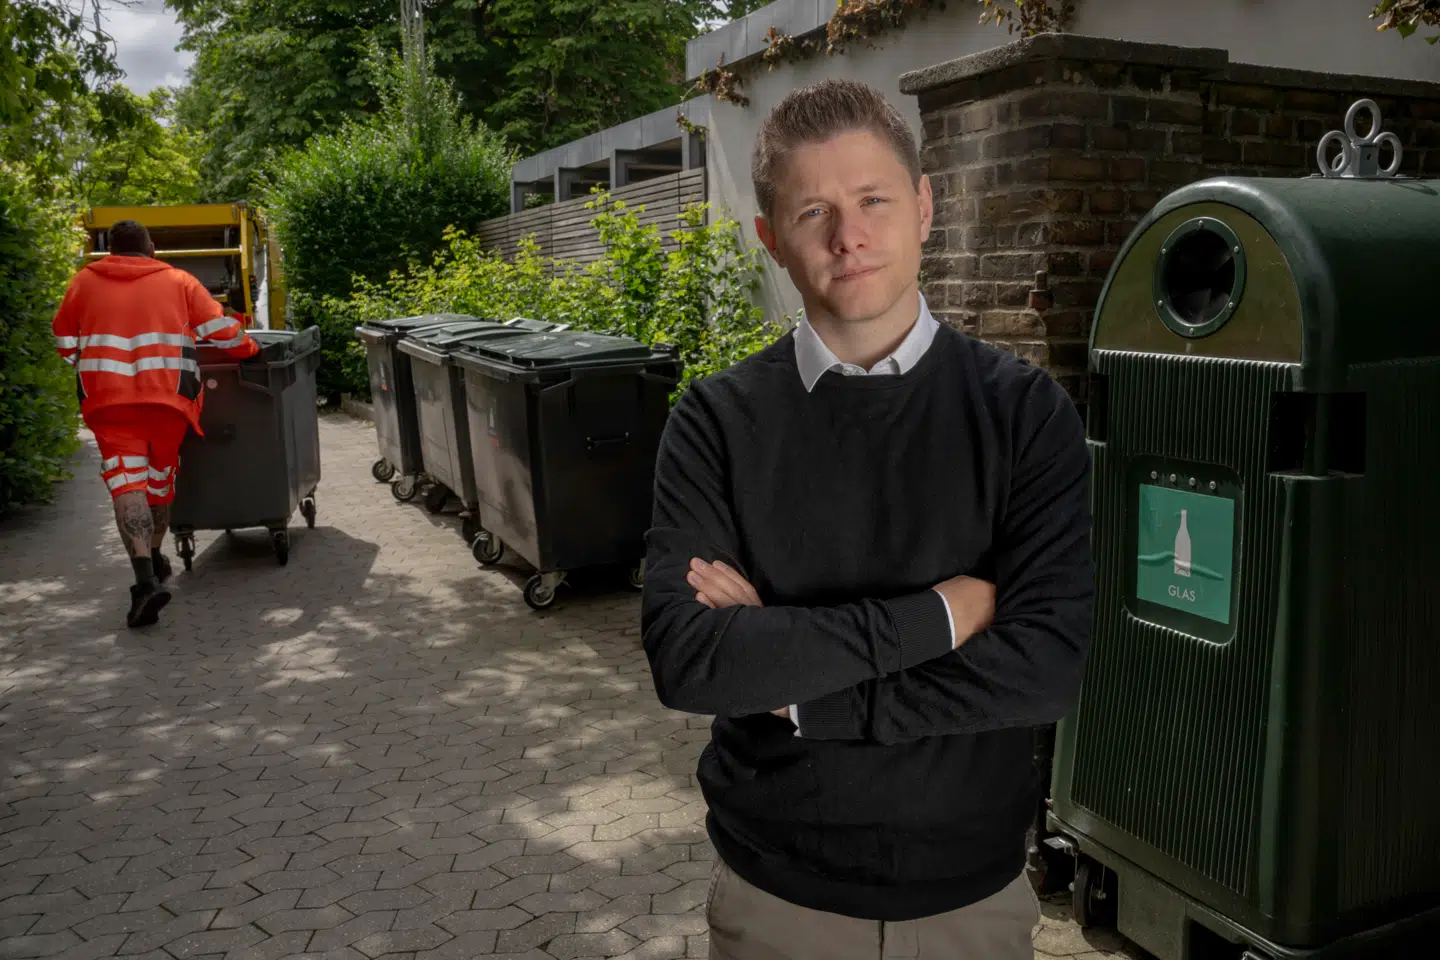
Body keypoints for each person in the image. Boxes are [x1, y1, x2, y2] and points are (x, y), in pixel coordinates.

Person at [640, 79, 1095, 959]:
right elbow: (692, 660)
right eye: (814, 212)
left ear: (923, 208)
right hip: (777, 899)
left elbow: (1044, 668)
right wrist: (940, 616)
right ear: (772, 239)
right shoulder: (716, 423)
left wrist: (800, 690)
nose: (848, 236)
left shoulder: (1024, 414)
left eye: (873, 201)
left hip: (973, 900)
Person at [53, 219, 260, 628]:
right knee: (159, 481)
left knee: (127, 482)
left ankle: (145, 579)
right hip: (169, 401)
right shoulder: (178, 281)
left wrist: (90, 362)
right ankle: (157, 557)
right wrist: (250, 350)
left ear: (110, 250)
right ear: (150, 247)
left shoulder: (83, 284)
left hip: (109, 404)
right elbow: (219, 329)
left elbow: (65, 344)